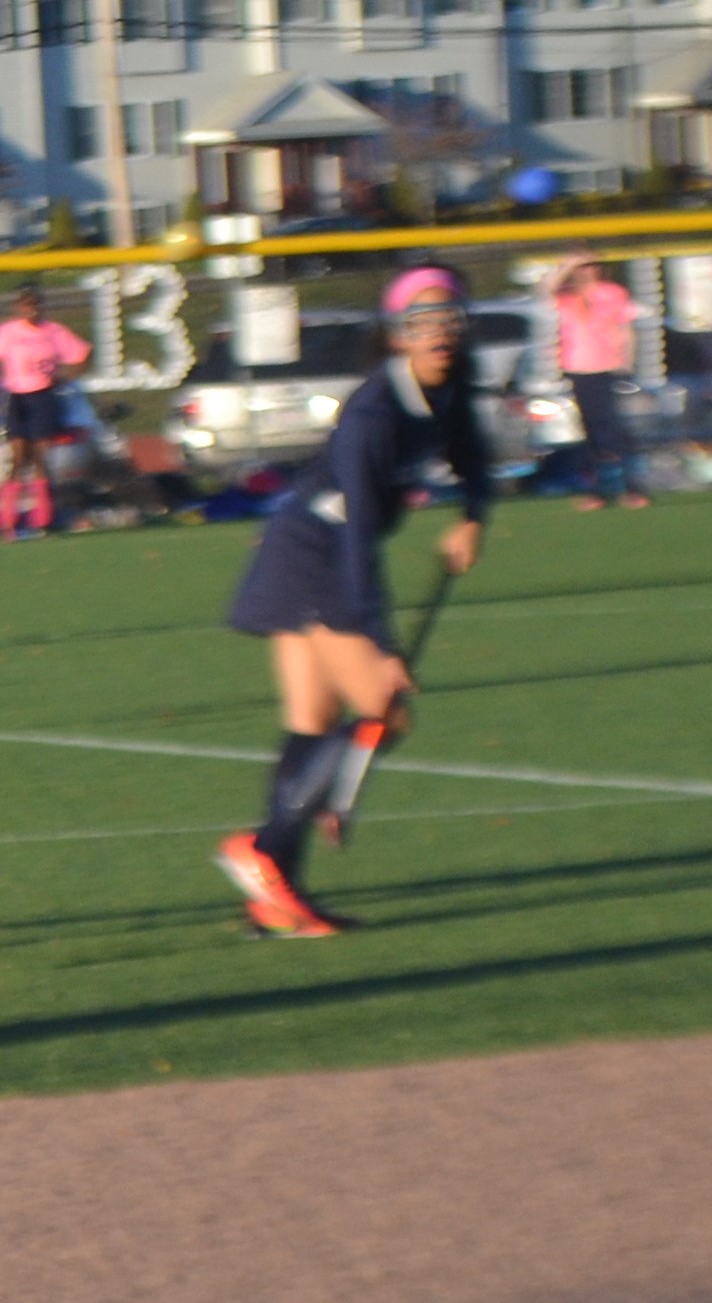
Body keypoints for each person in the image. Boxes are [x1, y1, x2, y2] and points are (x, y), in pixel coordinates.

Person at [216, 266, 488, 939]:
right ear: (398, 337)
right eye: (421, 324)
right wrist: (385, 647)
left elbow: (473, 453)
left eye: (448, 320)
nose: (438, 335)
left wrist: (474, 514)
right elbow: (360, 541)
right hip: (317, 557)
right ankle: (262, 848)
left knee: (312, 726)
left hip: (307, 549)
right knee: (384, 712)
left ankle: (276, 897)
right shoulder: (373, 415)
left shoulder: (450, 390)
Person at [0, 287, 89, 541]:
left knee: (40, 459)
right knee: (18, 458)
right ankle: (6, 522)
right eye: (25, 304)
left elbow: (83, 352)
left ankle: (41, 520)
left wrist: (67, 378)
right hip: (16, 396)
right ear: (17, 307)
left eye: (34, 304)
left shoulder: (53, 331)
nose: (30, 309)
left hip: (42, 396)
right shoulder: (8, 332)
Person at [553, 246, 646, 512]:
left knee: (612, 430)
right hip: (577, 368)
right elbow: (544, 291)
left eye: (589, 265)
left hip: (606, 367)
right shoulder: (566, 296)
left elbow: (625, 329)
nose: (586, 271)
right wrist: (567, 265)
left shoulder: (612, 293)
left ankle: (631, 487)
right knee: (591, 432)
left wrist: (626, 363)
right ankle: (598, 491)